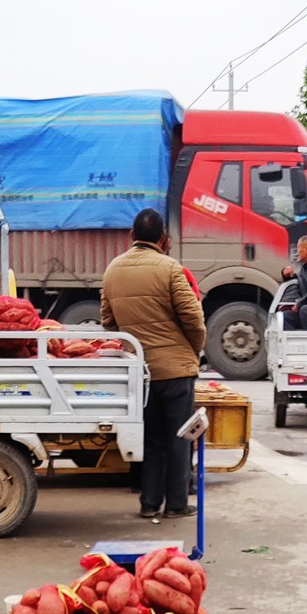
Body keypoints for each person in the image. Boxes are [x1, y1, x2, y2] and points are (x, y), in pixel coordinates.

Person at [102, 208, 205, 521]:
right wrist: (192, 351)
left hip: (140, 372)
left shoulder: (112, 270)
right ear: (163, 238)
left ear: (132, 235)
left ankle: (149, 503)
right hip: (175, 370)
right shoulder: (171, 269)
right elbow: (194, 319)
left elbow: (109, 322)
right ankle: (176, 504)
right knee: (180, 437)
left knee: (152, 438)